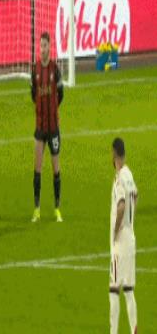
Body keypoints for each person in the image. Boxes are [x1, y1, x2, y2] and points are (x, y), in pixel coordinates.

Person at [30, 32, 64, 223]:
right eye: (41, 45)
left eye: (45, 45)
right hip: (40, 127)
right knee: (37, 168)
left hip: (53, 128)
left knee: (56, 168)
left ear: (50, 47)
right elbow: (33, 94)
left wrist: (52, 110)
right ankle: (37, 209)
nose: (43, 49)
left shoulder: (55, 70)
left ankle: (57, 208)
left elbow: (61, 94)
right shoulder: (34, 70)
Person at [109, 138, 138, 334]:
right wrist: (129, 220)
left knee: (113, 290)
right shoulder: (129, 175)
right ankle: (134, 330)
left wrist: (115, 230)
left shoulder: (120, 178)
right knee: (128, 290)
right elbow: (136, 195)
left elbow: (121, 206)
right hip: (131, 237)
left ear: (114, 154)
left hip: (120, 241)